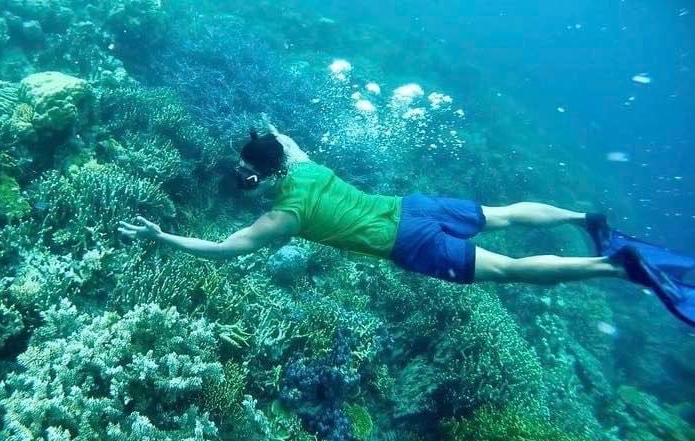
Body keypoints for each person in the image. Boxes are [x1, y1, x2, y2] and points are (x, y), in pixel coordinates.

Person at [119, 125, 695, 324]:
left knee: (514, 271)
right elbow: (280, 143)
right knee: (502, 213)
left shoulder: (282, 217)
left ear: (260, 175)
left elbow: (224, 249)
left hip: (408, 241)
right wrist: (262, 148)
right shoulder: (302, 160)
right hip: (412, 205)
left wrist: (160, 237)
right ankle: (585, 219)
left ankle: (615, 268)